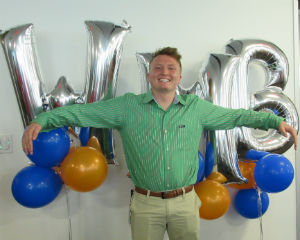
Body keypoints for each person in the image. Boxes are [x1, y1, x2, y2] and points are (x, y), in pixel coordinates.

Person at [22, 47, 298, 240]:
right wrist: (42, 120)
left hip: (186, 202)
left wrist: (274, 123)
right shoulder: (127, 107)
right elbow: (80, 112)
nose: (164, 72)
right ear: (150, 75)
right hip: (146, 204)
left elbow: (236, 116)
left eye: (171, 68)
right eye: (158, 68)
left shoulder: (197, 109)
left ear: (178, 77)